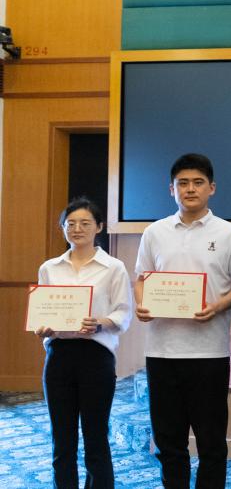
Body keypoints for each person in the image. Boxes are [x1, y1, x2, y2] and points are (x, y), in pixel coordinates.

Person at [134, 153, 231, 489]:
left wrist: (216, 306)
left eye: (198, 182)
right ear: (171, 189)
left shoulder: (230, 234)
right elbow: (142, 278)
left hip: (209, 353)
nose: (190, 189)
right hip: (162, 351)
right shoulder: (154, 232)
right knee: (168, 442)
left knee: (211, 442)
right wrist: (142, 304)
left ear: (212, 188)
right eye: (182, 183)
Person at [35, 197, 132, 489]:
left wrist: (100, 322)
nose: (77, 229)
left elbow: (124, 314)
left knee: (95, 436)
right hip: (59, 356)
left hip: (96, 356)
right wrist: (42, 328)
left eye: (85, 223)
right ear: (63, 228)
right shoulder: (49, 268)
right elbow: (42, 313)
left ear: (99, 227)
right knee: (61, 438)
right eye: (70, 223)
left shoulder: (113, 267)